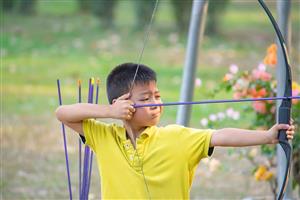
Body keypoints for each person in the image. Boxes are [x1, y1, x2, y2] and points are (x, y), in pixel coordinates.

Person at [55, 62, 295, 199]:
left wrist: (267, 136)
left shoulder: (177, 137)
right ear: (123, 103)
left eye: (157, 95)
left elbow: (220, 135)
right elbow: (62, 113)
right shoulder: (105, 137)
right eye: (146, 98)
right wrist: (110, 112)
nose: (156, 103)